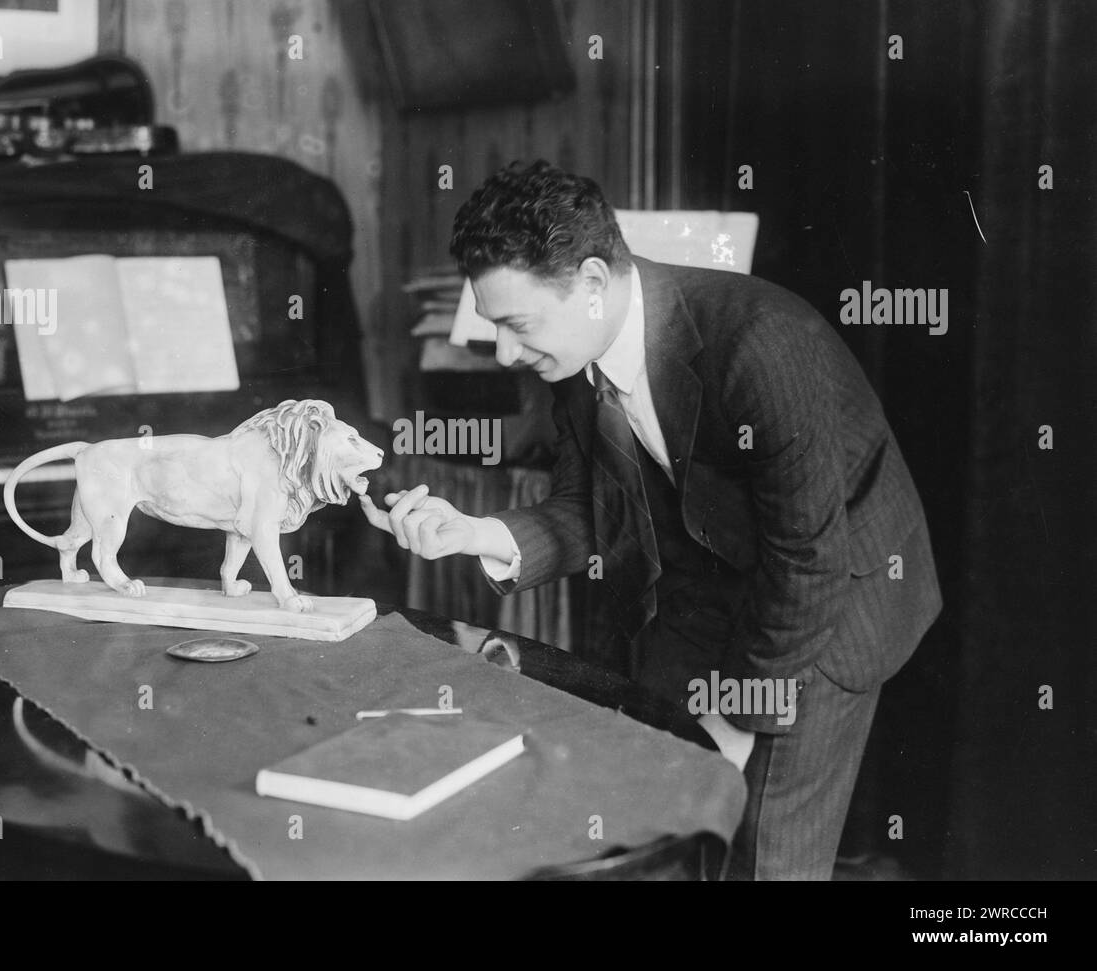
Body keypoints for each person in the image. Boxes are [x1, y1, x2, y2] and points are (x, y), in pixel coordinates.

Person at [360, 161, 941, 880]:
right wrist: (474, 531)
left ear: (595, 284)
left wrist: (734, 717)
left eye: (517, 324)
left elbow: (807, 561)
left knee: (758, 851)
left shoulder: (763, 343)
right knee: (650, 805)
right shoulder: (574, 359)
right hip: (716, 572)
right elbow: (585, 509)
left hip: (833, 594)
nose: (505, 352)